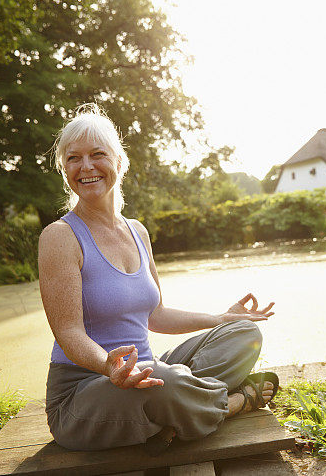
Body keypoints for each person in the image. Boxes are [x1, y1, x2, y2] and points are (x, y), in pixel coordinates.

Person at [38, 104, 278, 452]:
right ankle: (234, 404)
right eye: (73, 158)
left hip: (147, 373)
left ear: (119, 162)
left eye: (97, 154)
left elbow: (156, 315)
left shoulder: (137, 232)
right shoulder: (59, 237)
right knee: (164, 379)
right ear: (65, 170)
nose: (86, 166)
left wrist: (221, 318)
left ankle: (172, 414)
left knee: (244, 333)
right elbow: (69, 333)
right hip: (83, 396)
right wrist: (109, 366)